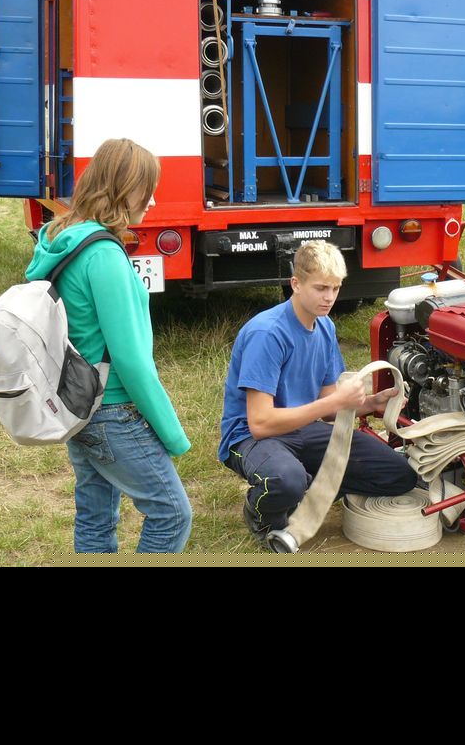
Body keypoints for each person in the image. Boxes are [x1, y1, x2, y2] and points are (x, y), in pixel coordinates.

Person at [24, 138, 193, 552]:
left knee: (96, 517)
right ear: (123, 189)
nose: (152, 201)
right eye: (146, 190)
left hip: (78, 402)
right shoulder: (104, 256)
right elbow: (131, 361)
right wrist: (173, 434)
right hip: (112, 410)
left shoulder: (64, 237)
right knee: (172, 514)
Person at [219, 240, 417, 551]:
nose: (329, 297)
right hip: (250, 438)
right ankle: (262, 514)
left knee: (399, 475)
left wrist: (369, 404)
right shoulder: (267, 333)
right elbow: (260, 423)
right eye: (321, 288)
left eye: (336, 288)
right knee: (285, 480)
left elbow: (327, 410)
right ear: (296, 284)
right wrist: (334, 402)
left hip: (304, 428)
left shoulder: (324, 327)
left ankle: (308, 488)